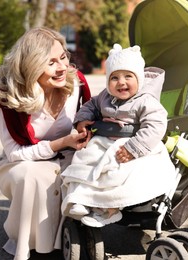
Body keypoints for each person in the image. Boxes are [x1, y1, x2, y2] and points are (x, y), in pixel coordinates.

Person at [0, 27, 91, 260]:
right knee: (33, 174)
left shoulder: (76, 83)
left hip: (68, 155)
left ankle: (69, 234)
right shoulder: (7, 95)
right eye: (51, 62)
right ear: (31, 64)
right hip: (21, 164)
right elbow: (14, 154)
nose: (62, 67)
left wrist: (84, 127)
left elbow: (90, 115)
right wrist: (60, 143)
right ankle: (28, 242)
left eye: (63, 57)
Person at [61, 43, 177, 227]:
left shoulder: (146, 101)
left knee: (120, 173)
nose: (121, 82)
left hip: (134, 146)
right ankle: (81, 198)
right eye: (114, 77)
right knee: (84, 160)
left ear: (139, 79)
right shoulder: (104, 97)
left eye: (128, 76)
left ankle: (110, 209)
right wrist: (82, 120)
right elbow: (90, 105)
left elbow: (156, 125)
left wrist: (134, 148)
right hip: (104, 142)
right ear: (108, 82)